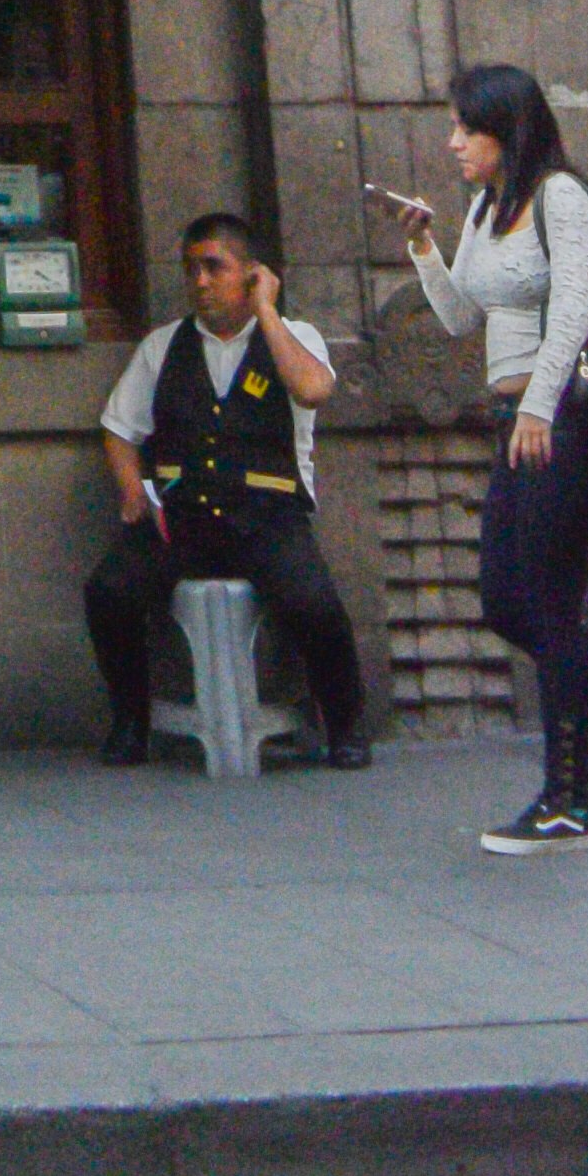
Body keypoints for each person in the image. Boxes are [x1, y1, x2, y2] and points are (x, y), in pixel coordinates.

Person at [394, 56, 588, 855]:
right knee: (507, 602)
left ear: (507, 130)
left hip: (572, 424)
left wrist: (539, 404)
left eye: (466, 128)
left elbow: (573, 306)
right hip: (521, 423)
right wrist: (425, 250)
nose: (454, 142)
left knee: (546, 606)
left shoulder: (560, 197)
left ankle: (569, 802)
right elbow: (463, 318)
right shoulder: (485, 207)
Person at [83, 209, 370, 766]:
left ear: (252, 273)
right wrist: (132, 492)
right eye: (191, 269)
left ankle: (344, 724)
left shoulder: (294, 337)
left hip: (268, 516)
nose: (200, 282)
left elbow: (313, 390)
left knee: (313, 603)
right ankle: (130, 722)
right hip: (184, 519)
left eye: (215, 267)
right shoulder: (163, 346)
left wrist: (266, 312)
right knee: (109, 591)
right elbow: (118, 429)